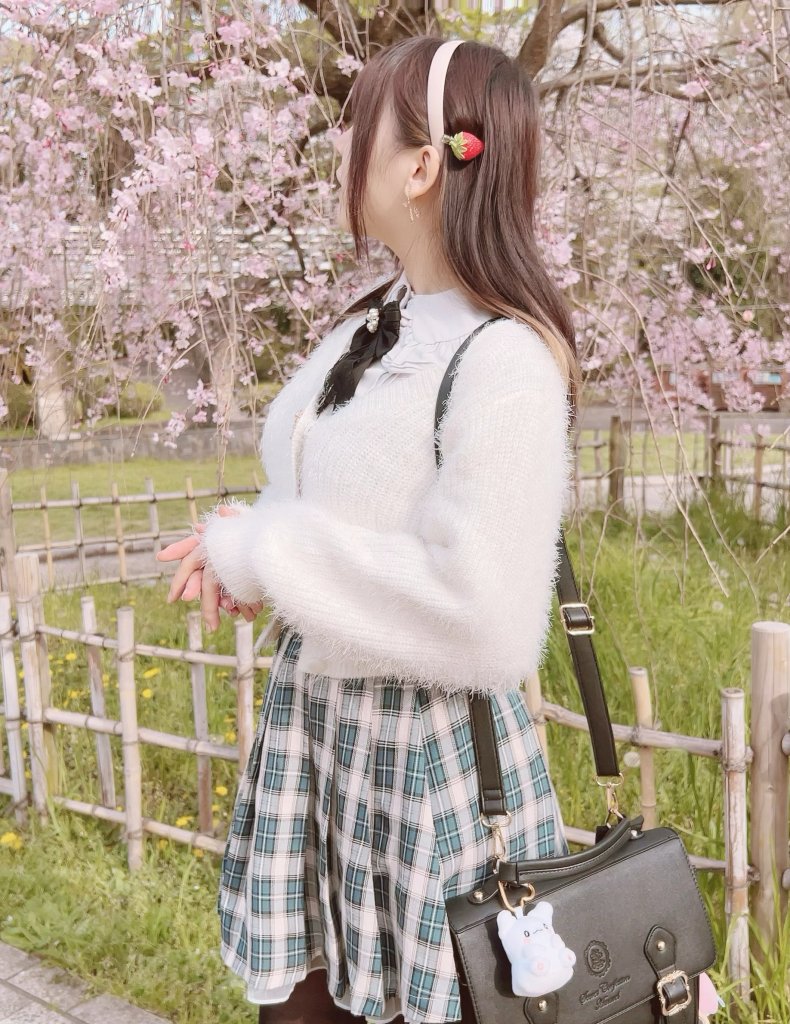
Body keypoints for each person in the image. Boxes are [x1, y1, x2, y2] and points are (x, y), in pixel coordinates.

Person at [157, 33, 581, 1024]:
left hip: (428, 758)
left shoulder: (504, 361)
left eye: (361, 128)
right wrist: (251, 547)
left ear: (425, 164)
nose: (341, 146)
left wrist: (274, 554)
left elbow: (482, 616)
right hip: (324, 736)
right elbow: (325, 500)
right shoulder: (373, 322)